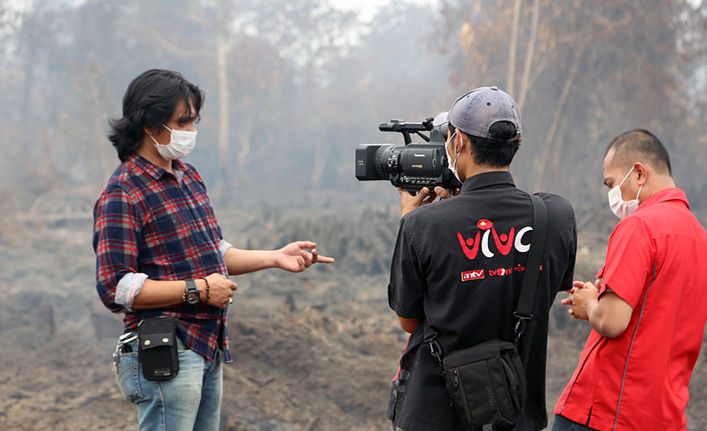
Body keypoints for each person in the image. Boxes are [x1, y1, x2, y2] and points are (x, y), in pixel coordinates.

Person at [93, 69, 334, 431]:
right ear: (150, 124)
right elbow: (117, 287)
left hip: (206, 344)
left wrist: (274, 257)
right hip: (166, 347)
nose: (190, 130)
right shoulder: (123, 192)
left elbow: (212, 252)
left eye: (193, 120)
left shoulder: (188, 176)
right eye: (182, 121)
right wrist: (199, 290)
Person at [386, 86, 577, 430]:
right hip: (515, 413)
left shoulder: (421, 226)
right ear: (515, 143)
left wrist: (412, 222)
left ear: (457, 142)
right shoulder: (556, 215)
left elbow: (409, 321)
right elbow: (542, 289)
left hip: (436, 413)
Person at [552, 130, 707, 431]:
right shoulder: (704, 243)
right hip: (664, 416)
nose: (612, 195)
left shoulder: (639, 226)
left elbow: (613, 321)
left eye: (612, 184)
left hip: (608, 411)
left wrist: (591, 304)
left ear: (639, 173)